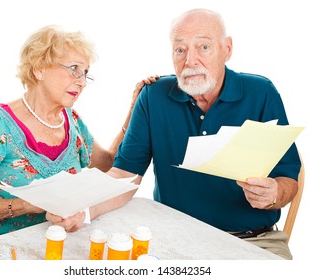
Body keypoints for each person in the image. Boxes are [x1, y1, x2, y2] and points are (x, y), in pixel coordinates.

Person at [95, 9, 301, 259]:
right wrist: (82, 209)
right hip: (173, 237)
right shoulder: (153, 96)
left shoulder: (261, 93)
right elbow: (124, 175)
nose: (190, 61)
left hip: (253, 239)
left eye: (203, 47)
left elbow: (289, 180)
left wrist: (273, 194)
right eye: (180, 49)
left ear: (227, 48)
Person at [0, 25, 156, 247]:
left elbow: (107, 163)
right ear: (39, 69)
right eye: (74, 69)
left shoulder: (72, 120)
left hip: (50, 240)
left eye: (86, 73)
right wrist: (29, 205)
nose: (81, 81)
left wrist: (133, 112)